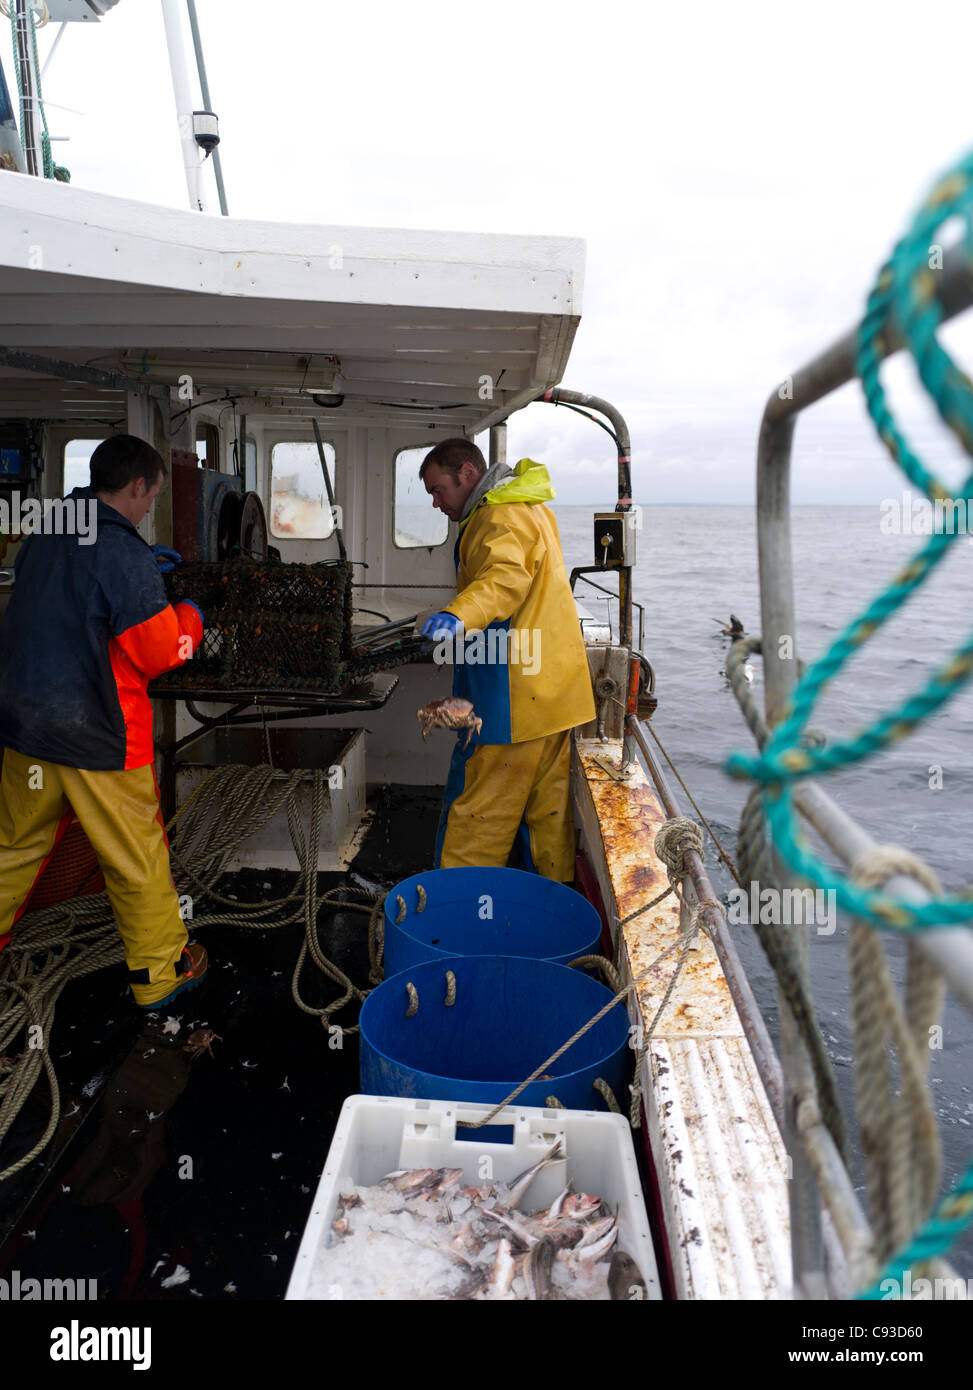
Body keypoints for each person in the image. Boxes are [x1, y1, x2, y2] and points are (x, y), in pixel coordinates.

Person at [0, 434, 207, 1009]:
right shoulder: (123, 553)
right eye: (149, 499)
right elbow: (161, 652)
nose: (146, 513)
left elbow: (68, 602)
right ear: (138, 486)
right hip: (100, 741)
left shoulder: (46, 533)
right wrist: (187, 613)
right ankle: (162, 976)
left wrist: (143, 576)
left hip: (27, 732)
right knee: (136, 860)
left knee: (11, 848)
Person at [419, 438, 595, 882]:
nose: (437, 504)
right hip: (555, 699)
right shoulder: (530, 506)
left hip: (512, 702)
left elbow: (504, 580)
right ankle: (547, 911)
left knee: (479, 817)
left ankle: (454, 915)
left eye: (439, 490)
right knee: (546, 820)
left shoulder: (499, 515)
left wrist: (457, 615)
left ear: (467, 474)